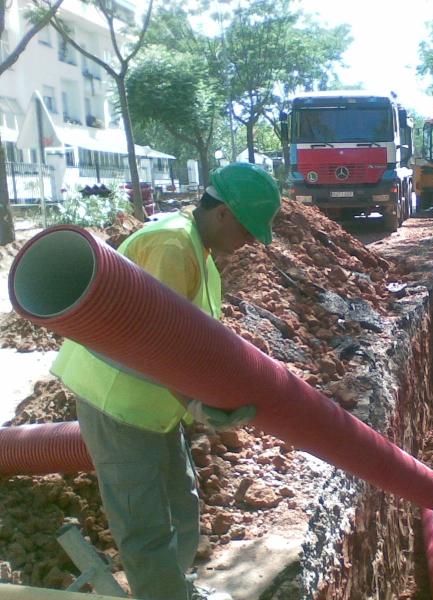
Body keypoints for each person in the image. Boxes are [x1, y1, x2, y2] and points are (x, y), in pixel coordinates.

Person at [51, 163, 281, 600]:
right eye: (249, 228)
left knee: (182, 507)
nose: (250, 240)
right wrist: (196, 402)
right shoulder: (172, 244)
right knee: (146, 528)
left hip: (153, 407)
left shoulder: (201, 256)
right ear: (223, 214)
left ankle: (177, 591)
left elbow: (192, 342)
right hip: (117, 402)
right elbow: (153, 341)